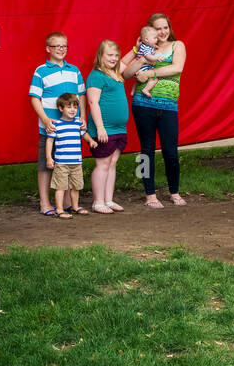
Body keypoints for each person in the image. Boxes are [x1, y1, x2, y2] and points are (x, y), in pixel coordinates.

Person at [123, 12, 186, 208]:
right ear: (151, 30)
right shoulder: (143, 50)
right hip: (143, 104)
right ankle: (149, 194)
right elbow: (125, 73)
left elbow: (177, 68)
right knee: (146, 150)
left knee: (170, 151)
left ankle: (174, 191)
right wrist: (138, 51)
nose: (163, 32)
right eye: (158, 28)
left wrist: (150, 72)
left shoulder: (178, 45)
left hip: (168, 106)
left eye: (165, 27)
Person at [29, 31, 85, 216]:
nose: (61, 49)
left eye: (64, 46)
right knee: (47, 164)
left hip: (70, 129)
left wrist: (82, 117)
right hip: (51, 128)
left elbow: (81, 96)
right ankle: (45, 203)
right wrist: (45, 120)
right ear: (48, 49)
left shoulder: (74, 70)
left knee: (69, 163)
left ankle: (67, 202)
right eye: (56, 46)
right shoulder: (41, 71)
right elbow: (35, 98)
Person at [86, 39, 130, 214]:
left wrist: (136, 49)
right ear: (100, 56)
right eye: (110, 55)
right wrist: (100, 127)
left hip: (119, 128)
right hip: (105, 129)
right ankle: (98, 201)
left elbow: (126, 62)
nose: (114, 58)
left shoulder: (116, 73)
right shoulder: (97, 75)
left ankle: (108, 199)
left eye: (116, 55)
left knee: (112, 163)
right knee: (103, 164)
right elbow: (93, 102)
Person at [45, 93, 88, 217]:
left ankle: (74, 207)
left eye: (75, 107)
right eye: (69, 107)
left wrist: (91, 141)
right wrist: (49, 157)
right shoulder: (56, 124)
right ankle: (59, 209)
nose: (73, 110)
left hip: (76, 162)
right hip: (61, 162)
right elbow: (50, 141)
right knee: (61, 187)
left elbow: (84, 134)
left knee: (76, 186)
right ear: (61, 108)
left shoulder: (78, 123)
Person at [133, 25, 168, 101]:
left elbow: (151, 48)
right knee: (155, 79)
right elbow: (147, 56)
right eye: (154, 38)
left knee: (137, 80)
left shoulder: (147, 45)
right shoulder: (145, 47)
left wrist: (155, 46)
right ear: (146, 39)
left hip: (141, 68)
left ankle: (133, 91)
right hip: (143, 68)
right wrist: (157, 58)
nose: (156, 39)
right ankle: (146, 89)